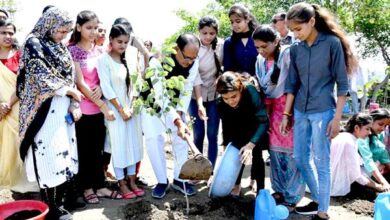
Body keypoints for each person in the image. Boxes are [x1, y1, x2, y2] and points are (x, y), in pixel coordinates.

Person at [280, 2, 357, 219]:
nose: (295, 34)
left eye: (298, 29)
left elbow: (343, 84)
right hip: (300, 110)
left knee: (322, 159)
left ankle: (323, 211)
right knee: (300, 157)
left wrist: (337, 118)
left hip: (324, 111)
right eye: (292, 30)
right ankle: (318, 198)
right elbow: (292, 84)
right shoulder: (295, 49)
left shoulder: (331, 43)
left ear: (312, 22)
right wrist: (286, 114)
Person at [16, 7, 82, 219]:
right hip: (43, 111)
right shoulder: (33, 43)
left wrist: (74, 102)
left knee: (63, 158)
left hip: (62, 111)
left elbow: (70, 77)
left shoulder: (60, 47)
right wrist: (67, 90)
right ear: (49, 24)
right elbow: (38, 74)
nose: (64, 36)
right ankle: (50, 208)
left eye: (67, 32)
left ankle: (60, 205)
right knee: (47, 159)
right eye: (60, 31)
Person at [68, 10, 120, 204]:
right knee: (85, 150)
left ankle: (100, 186)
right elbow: (80, 83)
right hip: (83, 109)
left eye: (95, 28)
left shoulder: (100, 51)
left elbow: (103, 78)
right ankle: (86, 187)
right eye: (88, 28)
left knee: (98, 149)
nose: (93, 32)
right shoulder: (72, 51)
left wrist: (100, 86)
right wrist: (99, 102)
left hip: (99, 109)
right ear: (79, 27)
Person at [141, 33, 201, 199]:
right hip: (152, 103)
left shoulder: (194, 62)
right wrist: (176, 119)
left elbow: (187, 88)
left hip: (175, 103)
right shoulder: (157, 61)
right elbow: (160, 96)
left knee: (181, 139)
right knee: (154, 140)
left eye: (193, 59)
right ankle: (161, 181)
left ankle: (179, 179)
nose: (189, 62)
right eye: (186, 58)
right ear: (177, 49)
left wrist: (181, 112)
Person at [253, 25, 304, 210]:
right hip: (271, 111)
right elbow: (263, 88)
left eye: (264, 46)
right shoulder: (260, 61)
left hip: (289, 111)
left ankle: (292, 196)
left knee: (291, 155)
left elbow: (293, 85)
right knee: (275, 154)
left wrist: (287, 114)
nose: (261, 51)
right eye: (257, 47)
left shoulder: (287, 56)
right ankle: (280, 190)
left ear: (275, 41)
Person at [97, 24, 145, 199]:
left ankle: (132, 180)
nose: (122, 45)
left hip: (131, 110)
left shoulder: (130, 59)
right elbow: (106, 87)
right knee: (118, 146)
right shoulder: (104, 60)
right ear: (111, 40)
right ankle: (122, 183)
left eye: (125, 42)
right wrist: (120, 109)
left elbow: (136, 84)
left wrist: (131, 107)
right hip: (114, 110)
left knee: (133, 144)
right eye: (119, 41)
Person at [216, 71, 268, 197]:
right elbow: (226, 126)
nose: (230, 101)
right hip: (236, 125)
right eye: (226, 98)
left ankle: (260, 189)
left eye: (234, 96)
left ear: (240, 89)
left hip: (254, 123)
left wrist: (251, 144)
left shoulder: (250, 91)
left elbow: (263, 121)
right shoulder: (220, 102)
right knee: (237, 154)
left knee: (257, 155)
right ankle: (236, 184)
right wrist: (226, 146)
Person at [0, 19, 36, 193]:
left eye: (10, 33)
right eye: (3, 33)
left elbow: (25, 83)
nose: (8, 36)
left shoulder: (21, 55)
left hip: (19, 106)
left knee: (21, 143)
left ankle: (25, 179)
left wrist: (8, 104)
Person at [188, 16, 223, 170]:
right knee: (198, 134)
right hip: (195, 96)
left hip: (214, 96)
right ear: (199, 32)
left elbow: (225, 67)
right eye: (204, 33)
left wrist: (220, 78)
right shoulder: (193, 46)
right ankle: (198, 169)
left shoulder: (221, 46)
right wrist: (199, 103)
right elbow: (193, 75)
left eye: (212, 33)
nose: (208, 37)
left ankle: (211, 171)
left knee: (213, 134)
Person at [331, 113, 384, 196]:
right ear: (356, 128)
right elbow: (356, 175)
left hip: (326, 178)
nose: (370, 133)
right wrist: (378, 186)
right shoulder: (350, 143)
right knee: (369, 191)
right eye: (367, 129)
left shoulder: (344, 136)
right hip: (332, 184)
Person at [358, 109, 390, 191]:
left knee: (381, 165)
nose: (383, 128)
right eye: (380, 124)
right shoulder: (362, 136)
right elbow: (367, 159)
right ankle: (376, 186)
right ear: (371, 121)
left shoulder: (379, 134)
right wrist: (383, 182)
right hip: (356, 165)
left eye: (386, 126)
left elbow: (383, 155)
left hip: (366, 165)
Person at [223, 3, 258, 77]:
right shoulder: (228, 42)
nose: (234, 25)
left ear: (247, 19)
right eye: (232, 22)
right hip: (237, 85)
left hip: (261, 85)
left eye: (238, 21)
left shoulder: (259, 38)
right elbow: (227, 70)